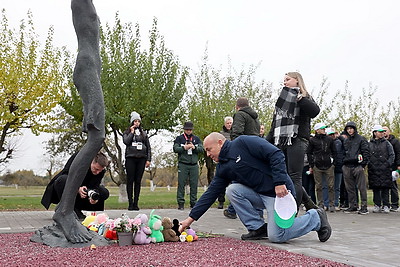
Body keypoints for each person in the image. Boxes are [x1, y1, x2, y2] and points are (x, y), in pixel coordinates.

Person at [179, 133, 332, 243]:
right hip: (260, 195)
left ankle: (316, 218)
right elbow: (211, 193)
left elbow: (276, 154)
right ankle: (257, 228)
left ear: (220, 142)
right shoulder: (223, 168)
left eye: (209, 149)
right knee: (232, 190)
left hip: (280, 194)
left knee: (277, 236)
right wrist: (190, 219)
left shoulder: (244, 142)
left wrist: (279, 182)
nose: (207, 154)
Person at [50, 0, 106, 244]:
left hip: (90, 66)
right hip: (87, 65)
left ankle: (65, 210)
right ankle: (64, 211)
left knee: (97, 137)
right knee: (97, 137)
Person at [266, 72, 320, 210]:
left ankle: (292, 211)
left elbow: (315, 111)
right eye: (283, 80)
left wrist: (299, 99)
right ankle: (309, 203)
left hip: (297, 139)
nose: (285, 82)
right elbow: (274, 124)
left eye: (288, 79)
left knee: (295, 177)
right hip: (280, 141)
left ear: (297, 81)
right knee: (283, 176)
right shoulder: (282, 100)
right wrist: (267, 143)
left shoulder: (304, 97)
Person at [41, 152, 110, 220]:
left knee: (104, 192)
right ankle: (68, 209)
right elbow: (66, 173)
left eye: (100, 171)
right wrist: (77, 188)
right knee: (62, 180)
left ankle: (77, 209)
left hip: (85, 187)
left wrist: (94, 197)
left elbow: (95, 186)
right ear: (91, 161)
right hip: (66, 184)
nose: (97, 172)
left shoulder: (101, 171)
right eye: (96, 169)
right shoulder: (78, 157)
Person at [224, 97, 261, 219]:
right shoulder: (255, 118)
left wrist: (235, 149)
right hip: (255, 151)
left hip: (244, 152)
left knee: (238, 178)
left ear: (237, 106)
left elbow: (236, 133)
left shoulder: (240, 115)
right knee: (253, 181)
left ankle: (231, 210)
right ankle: (257, 212)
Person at [123, 111, 151, 211]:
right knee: (130, 181)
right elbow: (126, 142)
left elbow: (148, 147)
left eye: (138, 121)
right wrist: (131, 132)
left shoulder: (143, 134)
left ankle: (136, 203)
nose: (137, 123)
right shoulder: (127, 132)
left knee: (138, 181)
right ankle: (130, 203)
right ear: (132, 122)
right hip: (130, 158)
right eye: (135, 121)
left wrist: (148, 159)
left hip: (141, 159)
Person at [173, 121, 204, 210]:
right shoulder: (179, 139)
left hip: (194, 165)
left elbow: (202, 149)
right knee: (181, 184)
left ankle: (193, 203)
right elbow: (175, 149)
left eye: (190, 130)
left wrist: (195, 148)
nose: (189, 131)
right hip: (183, 164)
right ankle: (181, 203)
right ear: (184, 130)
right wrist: (184, 148)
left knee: (194, 184)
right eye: (187, 130)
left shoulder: (196, 139)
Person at [342, 121, 370, 215]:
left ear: (354, 129)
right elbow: (343, 152)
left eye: (351, 128)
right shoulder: (346, 141)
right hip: (347, 166)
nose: (349, 130)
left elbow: (366, 152)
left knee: (361, 187)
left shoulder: (361, 139)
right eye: (348, 129)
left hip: (358, 166)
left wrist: (363, 165)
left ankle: (364, 206)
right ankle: (353, 205)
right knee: (349, 188)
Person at [307, 123, 336, 212]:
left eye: (324, 128)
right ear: (317, 130)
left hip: (328, 165)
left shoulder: (329, 139)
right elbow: (309, 153)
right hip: (317, 166)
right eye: (322, 129)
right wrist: (312, 165)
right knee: (318, 186)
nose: (324, 130)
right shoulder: (312, 141)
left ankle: (331, 204)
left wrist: (333, 162)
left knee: (331, 186)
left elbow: (334, 151)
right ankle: (321, 204)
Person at [368, 125, 395, 213]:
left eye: (382, 132)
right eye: (380, 132)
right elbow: (367, 155)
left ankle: (386, 205)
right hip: (373, 169)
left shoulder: (387, 143)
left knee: (385, 188)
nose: (382, 133)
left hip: (385, 169)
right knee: (375, 188)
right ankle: (377, 204)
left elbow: (392, 155)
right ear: (375, 133)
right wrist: (370, 164)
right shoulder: (370, 144)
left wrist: (388, 164)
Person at [215, 116, 234, 209]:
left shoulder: (235, 134)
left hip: (233, 160)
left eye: (231, 123)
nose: (229, 125)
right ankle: (221, 201)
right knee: (222, 183)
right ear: (225, 124)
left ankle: (233, 203)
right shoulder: (221, 135)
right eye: (228, 123)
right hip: (223, 160)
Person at [327, 128, 345, 211]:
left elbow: (346, 143)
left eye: (333, 134)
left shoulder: (340, 142)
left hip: (338, 167)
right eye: (330, 134)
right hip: (329, 167)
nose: (332, 136)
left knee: (337, 187)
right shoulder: (327, 143)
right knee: (328, 186)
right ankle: (327, 203)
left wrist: (340, 136)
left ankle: (336, 203)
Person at [383, 126, 400, 212]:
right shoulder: (381, 142)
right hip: (383, 167)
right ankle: (385, 204)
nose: (384, 132)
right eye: (382, 131)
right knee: (384, 186)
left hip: (392, 167)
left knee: (393, 185)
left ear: (389, 131)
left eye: (385, 131)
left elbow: (398, 153)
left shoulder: (395, 142)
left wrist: (398, 165)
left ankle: (395, 204)